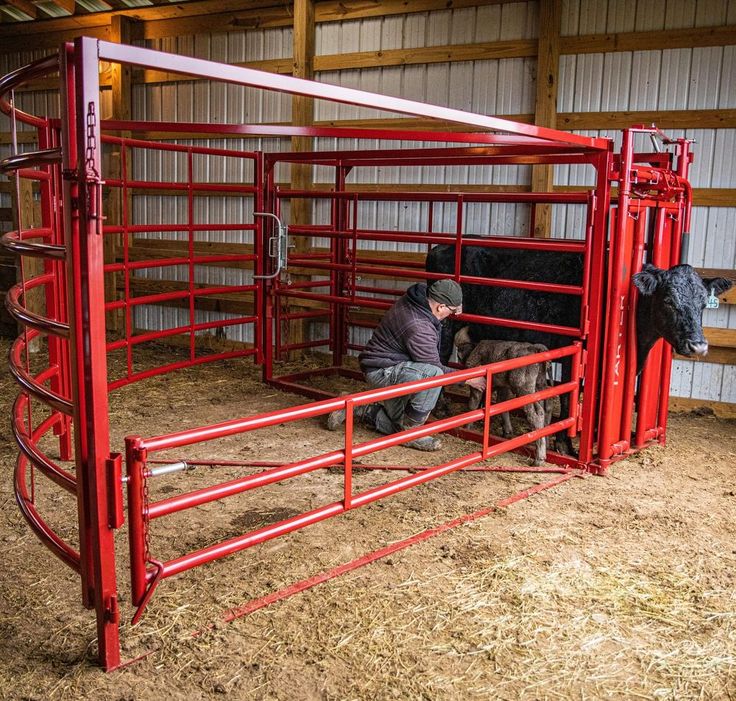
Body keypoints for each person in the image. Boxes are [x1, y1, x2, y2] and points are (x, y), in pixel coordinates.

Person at [326, 279, 485, 451]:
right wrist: (469, 378)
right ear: (440, 307)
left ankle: (355, 408)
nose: (453, 315)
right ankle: (411, 433)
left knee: (398, 422)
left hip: (390, 364)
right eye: (452, 311)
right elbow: (434, 367)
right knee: (433, 375)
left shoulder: (419, 298)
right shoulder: (419, 327)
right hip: (383, 371)